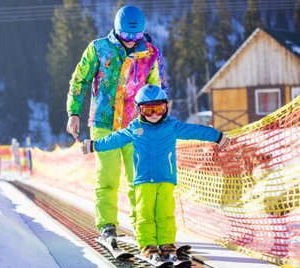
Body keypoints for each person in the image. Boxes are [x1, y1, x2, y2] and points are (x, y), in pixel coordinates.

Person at [80, 84, 230, 260]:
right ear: (139, 110)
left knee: (165, 212)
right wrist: (95, 144)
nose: (154, 115)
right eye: (148, 110)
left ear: (166, 107)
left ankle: (166, 243)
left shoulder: (172, 126)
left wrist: (217, 136)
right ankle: (147, 244)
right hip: (143, 180)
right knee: (145, 213)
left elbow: (195, 131)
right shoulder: (135, 128)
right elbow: (115, 139)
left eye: (158, 109)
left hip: (166, 178)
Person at [66, 5, 168, 245]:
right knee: (107, 178)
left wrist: (160, 118)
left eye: (136, 36)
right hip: (104, 123)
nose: (131, 41)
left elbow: (158, 88)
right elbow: (79, 80)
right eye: (126, 36)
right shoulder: (99, 48)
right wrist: (74, 112)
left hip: (138, 126)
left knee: (140, 180)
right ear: (116, 29)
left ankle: (143, 227)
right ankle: (108, 226)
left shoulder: (150, 53)